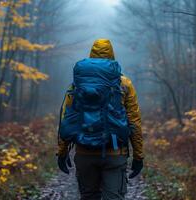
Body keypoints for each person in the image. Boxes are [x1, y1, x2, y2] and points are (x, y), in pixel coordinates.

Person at [57, 38, 143, 200]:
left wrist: (62, 151)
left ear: (91, 54)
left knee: (89, 196)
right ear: (111, 55)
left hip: (84, 152)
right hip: (114, 151)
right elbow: (134, 121)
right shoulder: (123, 83)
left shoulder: (77, 84)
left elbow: (67, 117)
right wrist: (138, 156)